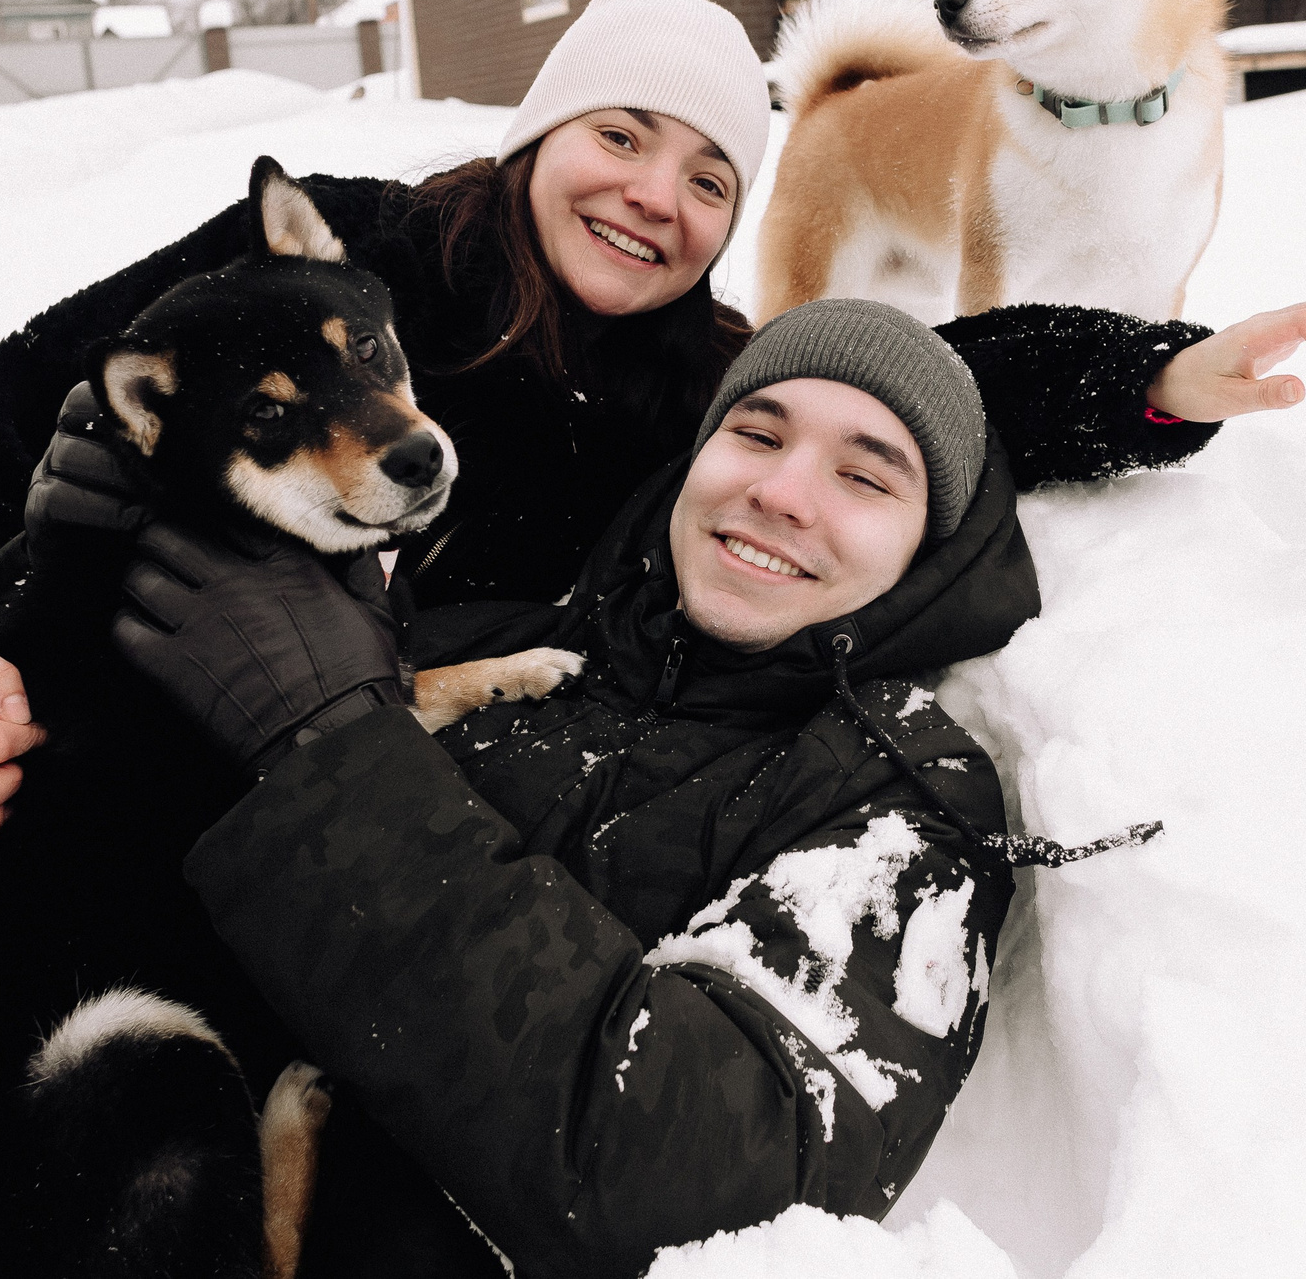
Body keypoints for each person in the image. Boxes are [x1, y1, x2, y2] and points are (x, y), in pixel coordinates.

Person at [0, 0, 1306, 1237]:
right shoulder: (335, 248)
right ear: (540, 133)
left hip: (29, 782)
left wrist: (1152, 375)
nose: (658, 196)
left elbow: (909, 381)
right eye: (622, 138)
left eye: (711, 173)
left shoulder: (680, 411)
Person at [132, 299, 1045, 1275]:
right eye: (754, 433)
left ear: (929, 552)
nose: (782, 492)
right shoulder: (488, 648)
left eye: (864, 476)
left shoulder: (905, 802)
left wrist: (338, 759)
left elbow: (702, 1184)